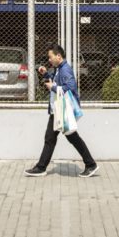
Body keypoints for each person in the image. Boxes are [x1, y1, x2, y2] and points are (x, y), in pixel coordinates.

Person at [24, 44, 98, 178]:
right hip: (58, 110)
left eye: (50, 57)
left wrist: (52, 87)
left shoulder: (65, 70)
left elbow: (70, 87)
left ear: (58, 56)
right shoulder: (59, 69)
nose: (49, 59)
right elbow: (57, 81)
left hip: (61, 110)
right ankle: (41, 167)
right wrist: (46, 74)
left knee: (68, 138)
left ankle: (90, 164)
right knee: (52, 138)